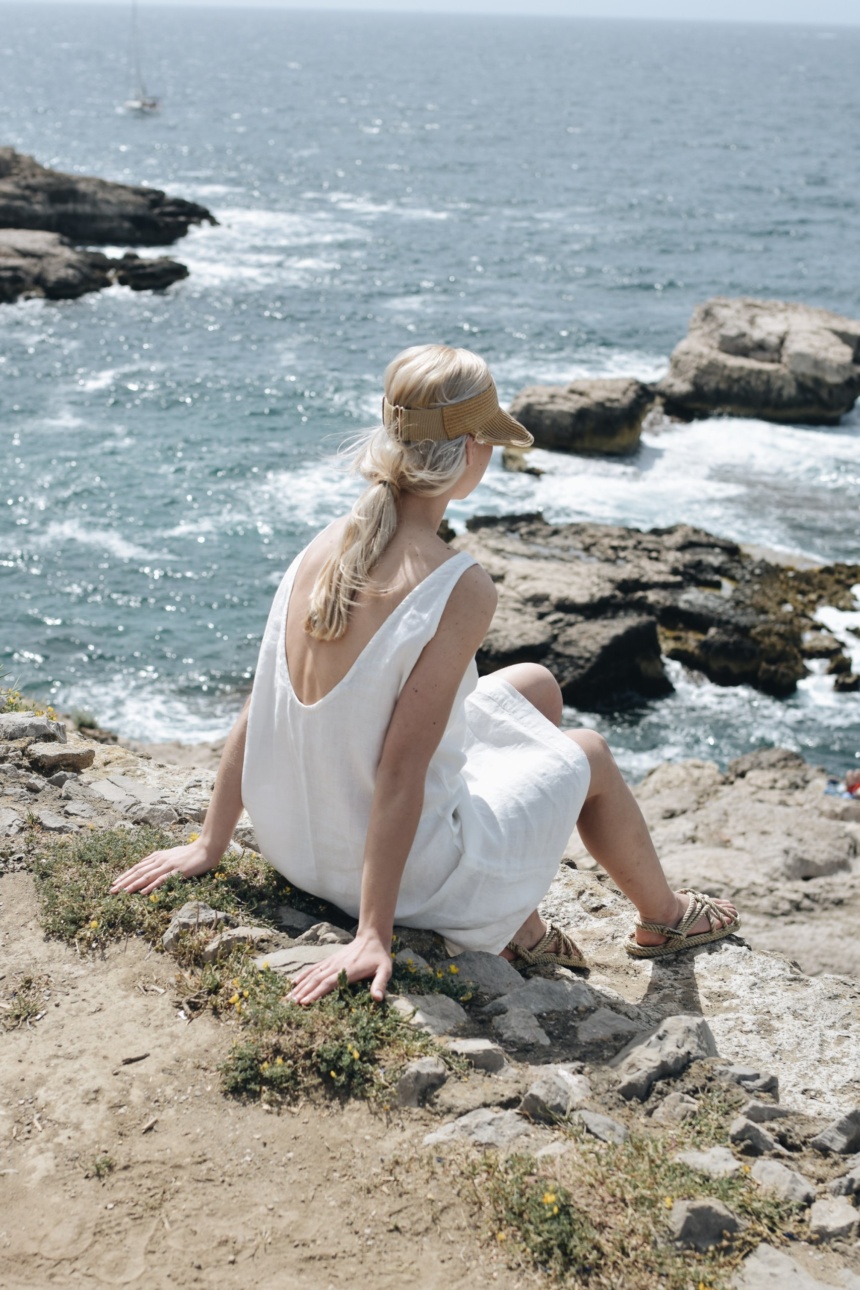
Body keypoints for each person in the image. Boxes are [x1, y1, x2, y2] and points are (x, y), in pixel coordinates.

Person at [111, 344, 739, 1003]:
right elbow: (403, 769)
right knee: (589, 753)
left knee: (535, 687)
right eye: (490, 441)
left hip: (295, 844)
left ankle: (516, 921)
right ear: (470, 449)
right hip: (402, 881)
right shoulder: (458, 585)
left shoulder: (327, 541)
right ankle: (665, 918)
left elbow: (258, 707)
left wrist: (211, 843)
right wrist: (372, 931)